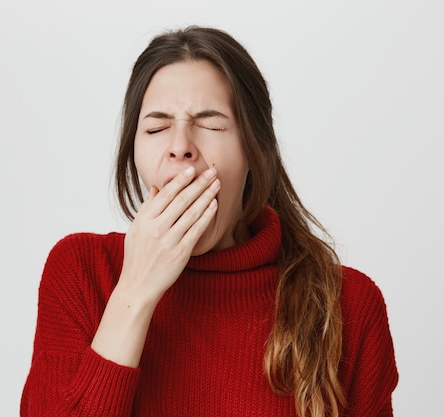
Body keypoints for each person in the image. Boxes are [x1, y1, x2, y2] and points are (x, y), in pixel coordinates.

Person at [20, 26, 398, 417]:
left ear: (257, 151)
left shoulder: (348, 305)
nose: (180, 146)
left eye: (211, 124)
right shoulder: (80, 273)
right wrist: (134, 291)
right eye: (156, 127)